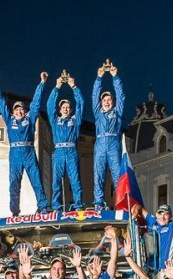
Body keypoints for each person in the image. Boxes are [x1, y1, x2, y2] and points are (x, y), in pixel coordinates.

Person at [0, 70, 49, 215]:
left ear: (25, 111)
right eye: (17, 110)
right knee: (14, 183)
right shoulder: (9, 119)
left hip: (29, 153)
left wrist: (42, 83)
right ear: (13, 112)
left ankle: (43, 207)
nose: (19, 112)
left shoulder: (30, 118)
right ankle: (15, 211)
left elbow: (36, 103)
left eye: (21, 109)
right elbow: (1, 104)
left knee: (36, 180)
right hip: (15, 154)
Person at [134, 170, 173, 266]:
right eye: (160, 213)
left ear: (170, 216)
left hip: (165, 270)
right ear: (156, 214)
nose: (162, 217)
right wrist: (134, 213)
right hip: (150, 269)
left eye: (166, 214)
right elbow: (139, 208)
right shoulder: (152, 222)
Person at [91, 62, 125, 208]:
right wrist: (99, 78)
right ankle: (98, 203)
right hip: (100, 143)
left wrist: (115, 77)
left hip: (113, 143)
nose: (106, 102)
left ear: (113, 102)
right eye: (104, 100)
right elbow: (94, 97)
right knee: (98, 175)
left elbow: (121, 96)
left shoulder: (117, 112)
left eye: (109, 100)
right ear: (101, 102)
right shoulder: (98, 113)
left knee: (117, 175)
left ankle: (122, 203)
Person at [47, 75, 84, 210]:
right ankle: (56, 206)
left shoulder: (75, 120)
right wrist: (57, 86)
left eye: (68, 107)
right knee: (56, 181)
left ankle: (78, 205)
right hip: (58, 152)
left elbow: (81, 103)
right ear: (60, 109)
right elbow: (49, 105)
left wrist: (73, 86)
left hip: (71, 151)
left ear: (71, 109)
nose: (66, 109)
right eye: (63, 107)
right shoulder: (55, 120)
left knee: (75, 180)